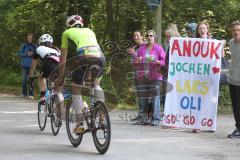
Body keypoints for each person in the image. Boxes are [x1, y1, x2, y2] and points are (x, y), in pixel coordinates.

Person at [58, 15, 105, 134]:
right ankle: (102, 117)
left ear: (69, 25)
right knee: (96, 85)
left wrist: (61, 76)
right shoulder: (90, 30)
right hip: (100, 57)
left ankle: (79, 125)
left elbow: (63, 59)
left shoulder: (66, 32)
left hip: (83, 56)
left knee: (76, 88)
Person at [133, 30, 166, 126]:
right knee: (143, 98)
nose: (149, 37)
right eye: (147, 36)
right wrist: (137, 60)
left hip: (156, 76)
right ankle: (143, 119)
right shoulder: (142, 48)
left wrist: (158, 62)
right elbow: (136, 62)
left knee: (155, 98)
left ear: (154, 37)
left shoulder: (158, 48)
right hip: (143, 77)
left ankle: (156, 119)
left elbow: (164, 62)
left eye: (151, 35)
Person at [29, 34, 61, 104]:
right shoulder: (57, 49)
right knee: (57, 85)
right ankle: (58, 99)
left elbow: (34, 64)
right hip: (60, 66)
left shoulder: (39, 48)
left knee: (41, 78)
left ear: (41, 42)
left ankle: (43, 96)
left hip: (48, 64)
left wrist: (31, 75)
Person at [128, 31, 146, 122]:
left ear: (142, 37)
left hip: (143, 74)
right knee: (139, 95)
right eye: (134, 36)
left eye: (137, 36)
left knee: (143, 95)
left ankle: (144, 115)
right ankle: (140, 114)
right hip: (135, 73)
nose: (136, 37)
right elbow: (133, 62)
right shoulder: (134, 47)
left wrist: (134, 54)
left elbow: (143, 60)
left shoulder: (145, 47)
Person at [227, 20, 240, 138]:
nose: (236, 32)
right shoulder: (231, 43)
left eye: (239, 30)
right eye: (234, 30)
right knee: (236, 107)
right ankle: (238, 128)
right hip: (233, 80)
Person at [18, 33, 36, 99]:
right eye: (28, 38)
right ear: (26, 38)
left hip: (32, 66)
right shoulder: (24, 45)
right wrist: (26, 54)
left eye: (30, 38)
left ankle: (31, 95)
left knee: (31, 80)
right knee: (24, 80)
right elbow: (20, 54)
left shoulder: (34, 46)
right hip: (24, 66)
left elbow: (37, 55)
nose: (29, 39)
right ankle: (24, 94)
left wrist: (32, 54)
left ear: (32, 39)